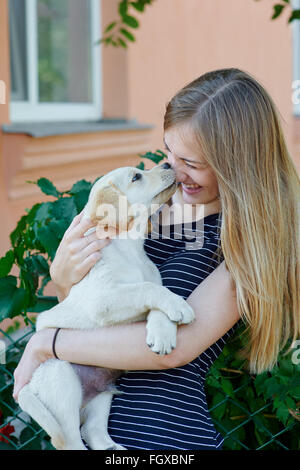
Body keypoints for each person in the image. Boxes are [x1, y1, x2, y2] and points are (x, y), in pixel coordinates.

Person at [13, 68, 300, 450]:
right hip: (90, 430)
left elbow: (172, 350)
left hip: (162, 438)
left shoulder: (245, 241)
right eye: (169, 151)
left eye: (192, 163)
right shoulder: (139, 204)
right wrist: (65, 280)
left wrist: (45, 343)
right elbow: (93, 315)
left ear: (237, 164)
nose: (173, 171)